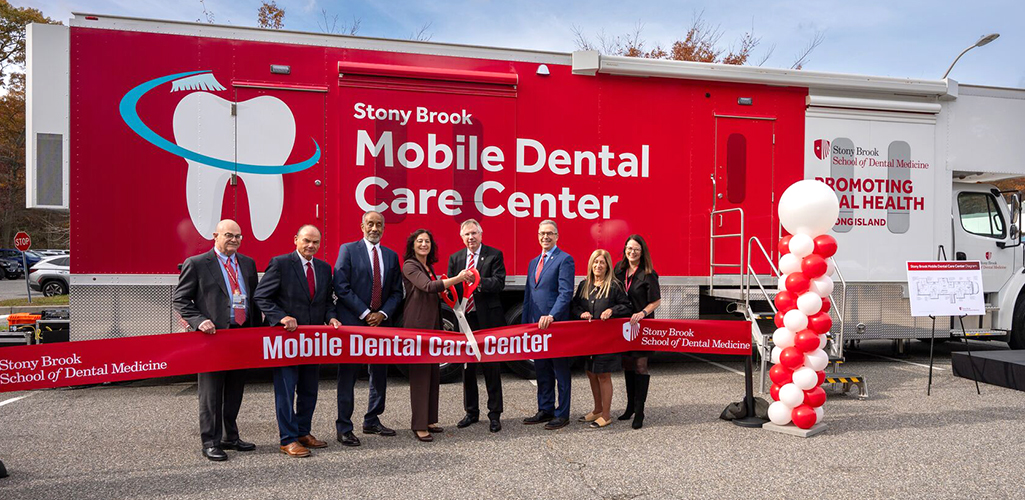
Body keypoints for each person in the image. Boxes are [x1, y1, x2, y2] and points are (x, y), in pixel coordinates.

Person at [172, 219, 261, 462]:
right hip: (212, 337)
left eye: (238, 236)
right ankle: (210, 442)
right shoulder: (198, 263)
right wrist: (199, 321)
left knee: (235, 389)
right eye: (229, 235)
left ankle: (230, 436)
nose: (234, 240)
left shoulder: (247, 263)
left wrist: (258, 330)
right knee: (211, 393)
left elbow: (253, 299)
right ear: (215, 236)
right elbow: (181, 300)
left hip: (241, 334)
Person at [253, 225, 342, 458]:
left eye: (315, 242)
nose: (311, 245)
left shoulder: (324, 268)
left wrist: (332, 318)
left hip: (312, 342)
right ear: (296, 240)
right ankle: (288, 439)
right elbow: (261, 296)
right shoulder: (280, 264)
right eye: (306, 240)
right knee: (286, 391)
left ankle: (303, 432)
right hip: (286, 341)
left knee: (309, 389)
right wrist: (281, 317)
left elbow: (326, 302)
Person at [333, 211, 404, 446]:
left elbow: (397, 292)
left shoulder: (391, 256)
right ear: (362, 226)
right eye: (370, 224)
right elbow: (341, 286)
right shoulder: (348, 250)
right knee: (348, 376)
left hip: (381, 324)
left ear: (384, 228)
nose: (375, 228)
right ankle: (344, 427)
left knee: (379, 373)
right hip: (353, 323)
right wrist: (365, 313)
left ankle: (372, 419)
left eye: (379, 224)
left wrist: (382, 314)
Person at [402, 229, 473, 442]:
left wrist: (446, 291)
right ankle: (419, 425)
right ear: (413, 245)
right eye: (420, 241)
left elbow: (435, 290)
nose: (424, 244)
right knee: (420, 375)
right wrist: (457, 278)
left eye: (427, 241)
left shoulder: (428, 266)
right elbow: (427, 286)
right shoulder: (410, 265)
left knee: (433, 373)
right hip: (418, 325)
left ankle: (430, 419)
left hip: (432, 324)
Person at [447, 219, 507, 433]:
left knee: (491, 367)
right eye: (467, 234)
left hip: (488, 319)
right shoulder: (455, 258)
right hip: (466, 319)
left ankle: (495, 414)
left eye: (474, 233)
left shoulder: (494, 255)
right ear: (461, 237)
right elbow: (451, 288)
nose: (471, 237)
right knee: (468, 368)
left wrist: (477, 281)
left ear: (481, 235)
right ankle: (471, 412)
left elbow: (499, 283)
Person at [522, 219, 575, 430]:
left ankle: (562, 414)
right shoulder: (533, 262)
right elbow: (529, 295)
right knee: (542, 369)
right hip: (536, 326)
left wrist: (552, 315)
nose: (546, 237)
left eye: (550, 233)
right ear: (538, 236)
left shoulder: (565, 259)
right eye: (542, 233)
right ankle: (545, 409)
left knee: (560, 371)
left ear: (557, 236)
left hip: (556, 325)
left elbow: (565, 293)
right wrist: (525, 325)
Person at [571, 249, 632, 428]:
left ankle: (606, 415)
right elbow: (574, 306)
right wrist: (581, 313)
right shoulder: (584, 285)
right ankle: (597, 409)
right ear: (591, 264)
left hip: (606, 340)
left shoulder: (614, 286)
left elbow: (627, 306)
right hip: (589, 339)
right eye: (595, 262)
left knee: (604, 375)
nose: (598, 265)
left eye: (602, 262)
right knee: (591, 373)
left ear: (607, 266)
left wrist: (612, 310)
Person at [613, 234, 661, 429]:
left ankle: (640, 411)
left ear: (642, 252)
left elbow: (656, 301)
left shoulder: (648, 273)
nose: (632, 252)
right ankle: (630, 407)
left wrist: (642, 313)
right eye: (629, 248)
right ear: (625, 249)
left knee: (641, 365)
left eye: (636, 250)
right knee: (627, 365)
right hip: (624, 325)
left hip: (642, 325)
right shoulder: (619, 269)